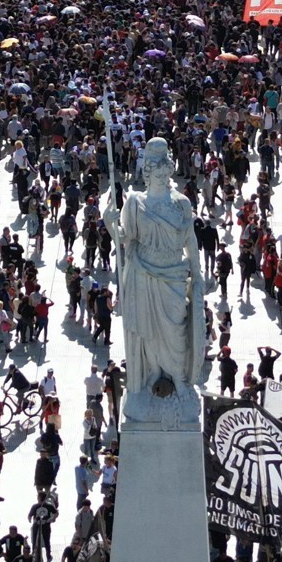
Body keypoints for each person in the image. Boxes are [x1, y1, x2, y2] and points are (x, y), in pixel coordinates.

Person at [104, 138, 205, 423]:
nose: (161, 177)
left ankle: (180, 381)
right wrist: (110, 223)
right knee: (147, 336)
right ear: (147, 172)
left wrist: (197, 275)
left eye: (164, 172)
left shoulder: (181, 203)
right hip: (144, 276)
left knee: (177, 333)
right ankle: (150, 380)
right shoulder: (135, 203)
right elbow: (126, 239)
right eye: (155, 172)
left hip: (173, 275)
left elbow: (190, 241)